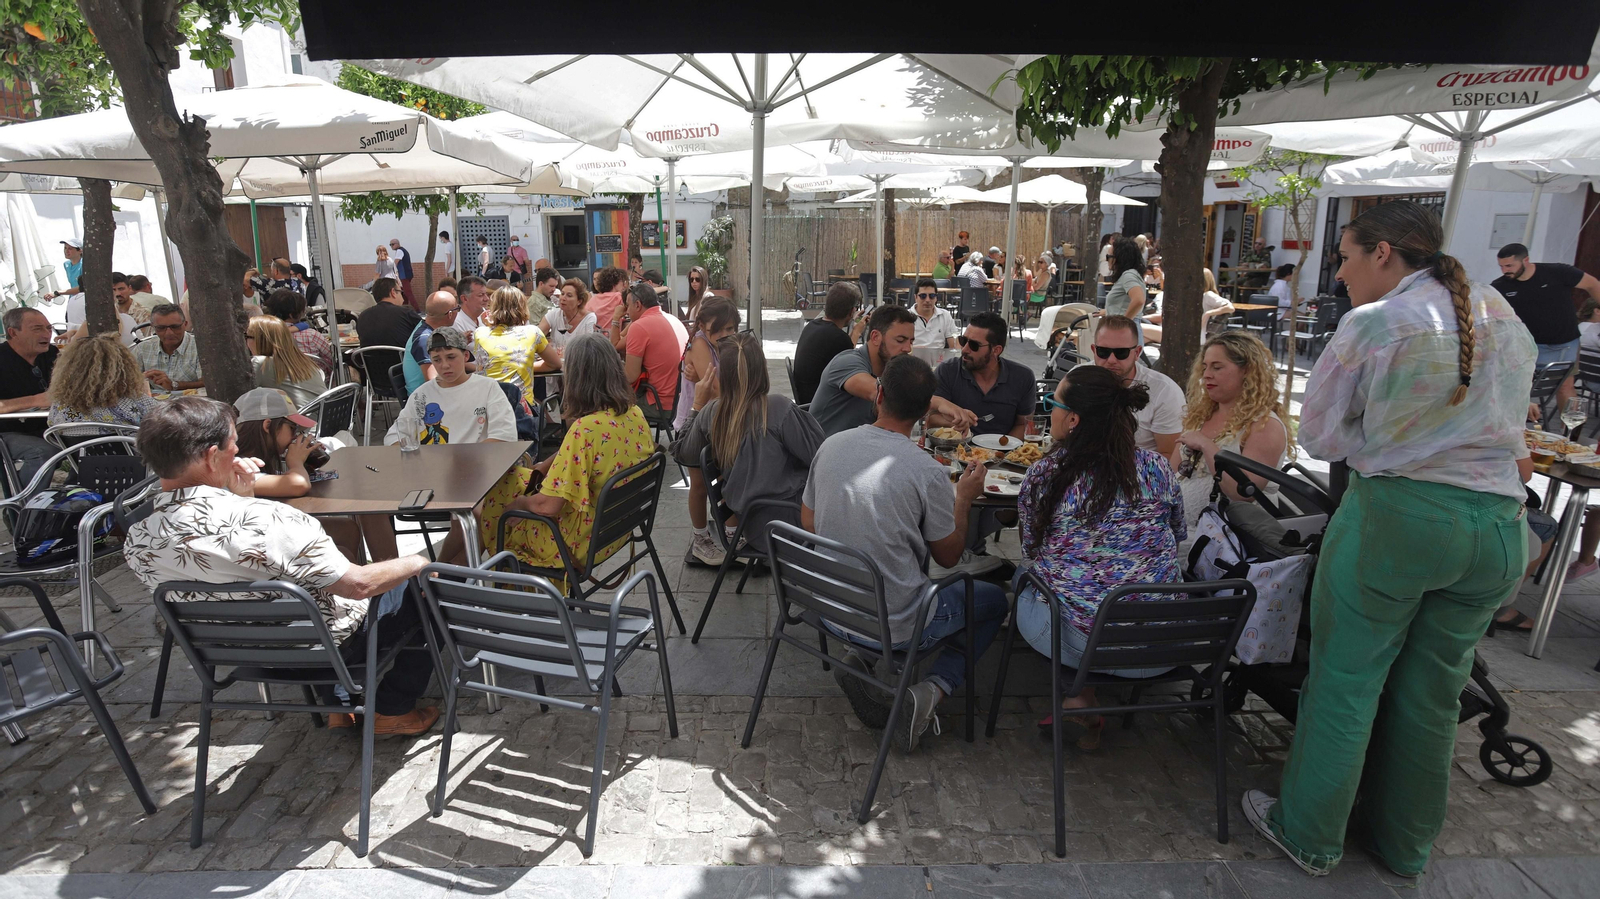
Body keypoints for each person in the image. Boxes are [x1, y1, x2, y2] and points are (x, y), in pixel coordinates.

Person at [1244, 200, 1538, 879]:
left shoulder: (1375, 322)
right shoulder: (1503, 312)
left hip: (1399, 518)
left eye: (1345, 255)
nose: (1340, 271)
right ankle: (1405, 846)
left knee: (1346, 680)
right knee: (1434, 693)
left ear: (1383, 253)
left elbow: (1319, 435)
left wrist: (1386, 441)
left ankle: (1310, 832)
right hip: (1497, 526)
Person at [123, 397, 438, 736]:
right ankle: (392, 709)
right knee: (428, 586)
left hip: (239, 656)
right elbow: (356, 585)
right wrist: (417, 562)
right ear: (213, 457)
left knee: (313, 593)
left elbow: (229, 568)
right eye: (234, 445)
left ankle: (338, 705)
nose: (239, 454)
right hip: (327, 651)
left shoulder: (138, 539)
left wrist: (241, 500)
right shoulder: (270, 518)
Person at [803, 353, 1008, 750]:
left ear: (878, 395)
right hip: (894, 626)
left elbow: (809, 524)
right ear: (922, 413)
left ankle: (859, 660)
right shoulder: (926, 469)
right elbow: (949, 557)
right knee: (995, 601)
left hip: (828, 607)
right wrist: (963, 499)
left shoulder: (831, 445)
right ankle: (932, 691)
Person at [1016, 365, 1185, 750]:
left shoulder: (1045, 475)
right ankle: (1081, 699)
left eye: (1051, 403)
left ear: (1073, 419)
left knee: (1027, 581)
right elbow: (1175, 537)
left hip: (1080, 642)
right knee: (1088, 589)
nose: (1049, 410)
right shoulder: (1158, 468)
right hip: (1163, 646)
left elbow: (1030, 549)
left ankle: (1079, 697)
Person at [479, 333, 655, 571]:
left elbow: (547, 507)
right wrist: (548, 463)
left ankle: (475, 579)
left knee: (495, 500)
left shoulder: (584, 429)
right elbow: (593, 453)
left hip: (575, 542)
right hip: (616, 530)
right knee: (510, 480)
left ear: (576, 378)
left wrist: (519, 503)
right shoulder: (633, 413)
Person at [673, 331, 823, 565]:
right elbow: (820, 456)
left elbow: (684, 454)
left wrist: (697, 405)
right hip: (791, 524)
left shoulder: (713, 412)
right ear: (761, 368)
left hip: (751, 525)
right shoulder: (778, 408)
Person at [232, 387, 393, 562]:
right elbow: (297, 485)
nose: (297, 435)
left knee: (347, 529)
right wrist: (296, 463)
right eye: (293, 428)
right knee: (342, 553)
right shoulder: (240, 469)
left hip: (273, 533)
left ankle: (387, 585)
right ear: (268, 426)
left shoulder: (263, 459)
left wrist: (305, 465)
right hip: (257, 547)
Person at [1172, 331, 1290, 534]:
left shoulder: (1264, 425)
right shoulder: (1201, 414)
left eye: (1217, 367)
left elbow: (1242, 493)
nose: (1207, 374)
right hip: (1180, 533)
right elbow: (1171, 471)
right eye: (1205, 367)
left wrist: (1207, 445)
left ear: (1247, 370)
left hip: (1231, 545)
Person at [809, 305, 975, 437]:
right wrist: (939, 403)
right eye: (900, 340)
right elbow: (885, 395)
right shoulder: (847, 362)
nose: (908, 348)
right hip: (821, 458)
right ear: (875, 337)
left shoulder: (889, 370)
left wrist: (945, 417)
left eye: (911, 341)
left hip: (861, 450)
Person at [1492, 242, 1600, 408]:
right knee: (1518, 386)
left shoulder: (1557, 272)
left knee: (1565, 386)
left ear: (1525, 260)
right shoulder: (1500, 286)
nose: (1505, 270)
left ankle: (1569, 430)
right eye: (1501, 266)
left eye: (1509, 265)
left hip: (1565, 342)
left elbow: (1592, 284)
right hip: (1528, 346)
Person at [385, 327, 516, 448]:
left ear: (465, 356)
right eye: (437, 360)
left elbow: (504, 435)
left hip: (478, 465)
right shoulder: (421, 395)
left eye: (451, 357)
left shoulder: (487, 388)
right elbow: (394, 436)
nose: (445, 365)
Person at [1083, 315, 1184, 456]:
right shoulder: (1077, 380)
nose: (1111, 360)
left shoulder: (1164, 391)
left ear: (1137, 353)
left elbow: (1169, 455)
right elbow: (1059, 433)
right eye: (1103, 352)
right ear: (1094, 350)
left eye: (1121, 353)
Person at [930, 311, 1035, 438]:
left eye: (974, 345)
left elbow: (1023, 424)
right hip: (955, 450)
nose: (964, 349)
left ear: (996, 350)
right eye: (963, 340)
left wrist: (1003, 451)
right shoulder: (948, 371)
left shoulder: (1022, 377)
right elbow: (931, 418)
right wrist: (956, 421)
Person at [47, 334, 157, 430]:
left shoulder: (59, 406)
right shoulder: (138, 402)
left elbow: (51, 424)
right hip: (127, 453)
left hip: (75, 453)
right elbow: (161, 427)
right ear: (125, 368)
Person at [612, 283, 687, 422]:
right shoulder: (672, 318)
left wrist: (616, 318)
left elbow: (630, 376)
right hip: (682, 402)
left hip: (660, 404)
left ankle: (640, 443)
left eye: (628, 306)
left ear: (638, 304)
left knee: (610, 406)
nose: (626, 311)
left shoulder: (640, 326)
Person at [0, 308, 58, 486]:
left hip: (47, 427)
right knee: (41, 452)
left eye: (49, 328)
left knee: (91, 442)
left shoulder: (52, 354)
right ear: (13, 332)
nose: (46, 334)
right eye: (37, 329)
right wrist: (34, 400)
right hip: (6, 432)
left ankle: (76, 502)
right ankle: (25, 510)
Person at [475, 285, 560, 406]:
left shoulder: (480, 333)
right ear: (522, 307)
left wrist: (488, 325)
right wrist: (523, 365)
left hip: (488, 408)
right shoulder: (532, 332)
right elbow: (555, 364)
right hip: (521, 410)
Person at [791, 281, 866, 406]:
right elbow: (850, 358)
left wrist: (853, 326)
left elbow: (842, 347)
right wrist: (857, 332)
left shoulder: (813, 325)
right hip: (821, 404)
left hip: (807, 397)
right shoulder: (836, 337)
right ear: (851, 311)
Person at [675, 296, 741, 432]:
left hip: (715, 419)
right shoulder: (699, 344)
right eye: (717, 330)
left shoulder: (726, 343)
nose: (724, 334)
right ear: (702, 326)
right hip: (693, 427)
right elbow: (716, 392)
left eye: (729, 329)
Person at [247, 316, 326, 408]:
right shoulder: (302, 360)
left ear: (260, 340)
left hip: (301, 420)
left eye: (246, 336)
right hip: (325, 417)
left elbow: (237, 395)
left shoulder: (261, 363)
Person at [263, 287, 334, 377]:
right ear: (292, 315)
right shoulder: (311, 335)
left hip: (279, 386)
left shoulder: (264, 335)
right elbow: (333, 356)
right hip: (317, 384)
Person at [402, 291, 461, 395]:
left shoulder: (428, 330)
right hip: (424, 400)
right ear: (450, 314)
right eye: (457, 309)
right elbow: (433, 380)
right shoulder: (424, 339)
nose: (458, 312)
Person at [134, 304, 204, 392]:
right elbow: (127, 380)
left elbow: (206, 382)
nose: (169, 333)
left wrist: (174, 385)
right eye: (161, 328)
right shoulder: (142, 349)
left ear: (185, 325)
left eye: (175, 327)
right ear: (153, 328)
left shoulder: (199, 347)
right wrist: (140, 379)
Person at [355, 277, 423, 353]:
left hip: (370, 363)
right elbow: (426, 334)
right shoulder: (406, 313)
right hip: (402, 362)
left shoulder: (362, 316)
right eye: (401, 292)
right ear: (393, 292)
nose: (403, 299)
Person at [539, 278, 598, 355]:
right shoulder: (553, 314)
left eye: (569, 295)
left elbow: (588, 348)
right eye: (562, 294)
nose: (563, 298)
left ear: (579, 301)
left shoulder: (589, 318)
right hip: (557, 363)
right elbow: (536, 335)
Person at [1104, 237, 1148, 320]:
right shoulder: (1130, 274)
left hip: (1123, 329)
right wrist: (1106, 311)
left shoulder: (1128, 275)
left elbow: (1138, 300)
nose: (1107, 260)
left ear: (1118, 257)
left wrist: (1125, 322)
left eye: (1108, 256)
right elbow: (1123, 305)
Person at [911, 278, 958, 350]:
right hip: (913, 358)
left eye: (932, 296)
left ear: (936, 298)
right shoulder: (906, 316)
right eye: (923, 296)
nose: (927, 300)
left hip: (939, 359)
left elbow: (955, 345)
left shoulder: (945, 315)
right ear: (916, 297)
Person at [42, 238, 84, 304]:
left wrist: (58, 292)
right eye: (65, 248)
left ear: (80, 251)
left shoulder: (85, 265)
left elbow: (82, 288)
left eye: (70, 248)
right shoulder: (66, 264)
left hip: (84, 301)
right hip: (73, 300)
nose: (66, 251)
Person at [453, 275, 490, 347]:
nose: (486, 299)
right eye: (480, 295)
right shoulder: (456, 324)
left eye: (486, 294)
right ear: (464, 299)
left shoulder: (489, 318)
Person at [588, 266, 628, 331]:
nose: (624, 285)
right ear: (615, 283)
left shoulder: (593, 300)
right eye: (622, 281)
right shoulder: (618, 297)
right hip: (611, 337)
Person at [388, 238, 416, 310]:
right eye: (390, 245)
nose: (391, 246)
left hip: (404, 275)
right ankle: (404, 308)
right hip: (405, 275)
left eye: (393, 244)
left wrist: (391, 271)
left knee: (408, 292)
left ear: (397, 244)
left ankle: (417, 310)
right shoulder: (402, 250)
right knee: (404, 293)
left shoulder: (399, 251)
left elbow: (395, 263)